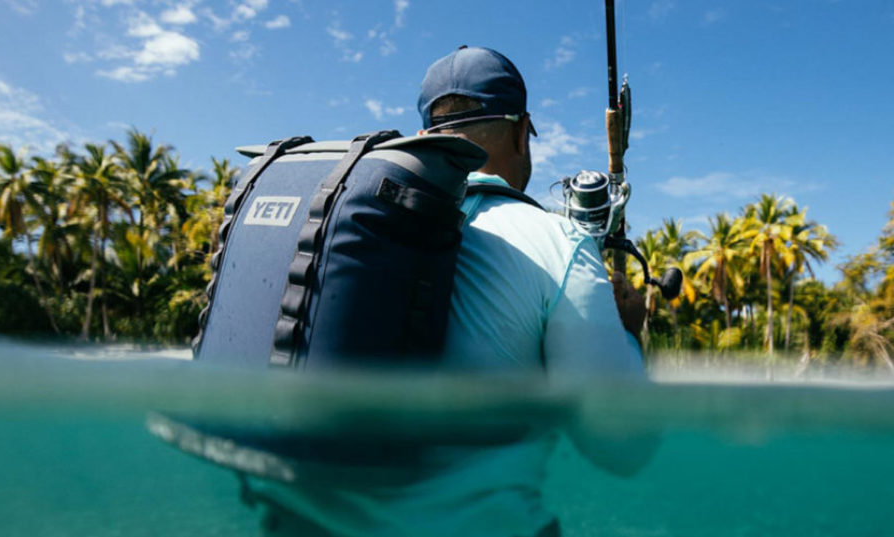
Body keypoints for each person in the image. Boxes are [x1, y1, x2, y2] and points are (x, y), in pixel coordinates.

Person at [243, 46, 656, 537]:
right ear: (522, 132)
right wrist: (628, 334)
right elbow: (622, 448)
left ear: (425, 139)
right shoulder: (557, 243)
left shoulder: (335, 226)